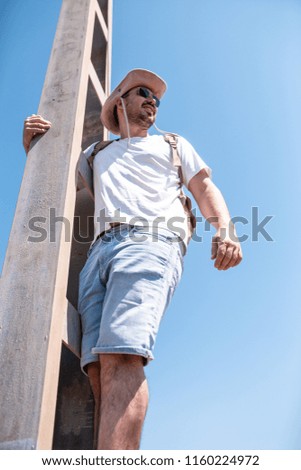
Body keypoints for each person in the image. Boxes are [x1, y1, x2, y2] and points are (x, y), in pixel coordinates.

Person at [23, 68, 242, 450]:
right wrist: (33, 145)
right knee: (96, 370)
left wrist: (226, 230)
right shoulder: (95, 154)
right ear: (118, 101)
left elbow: (205, 189)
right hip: (98, 256)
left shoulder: (172, 144)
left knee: (123, 353)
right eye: (144, 92)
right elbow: (53, 177)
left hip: (151, 239)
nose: (153, 101)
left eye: (157, 98)